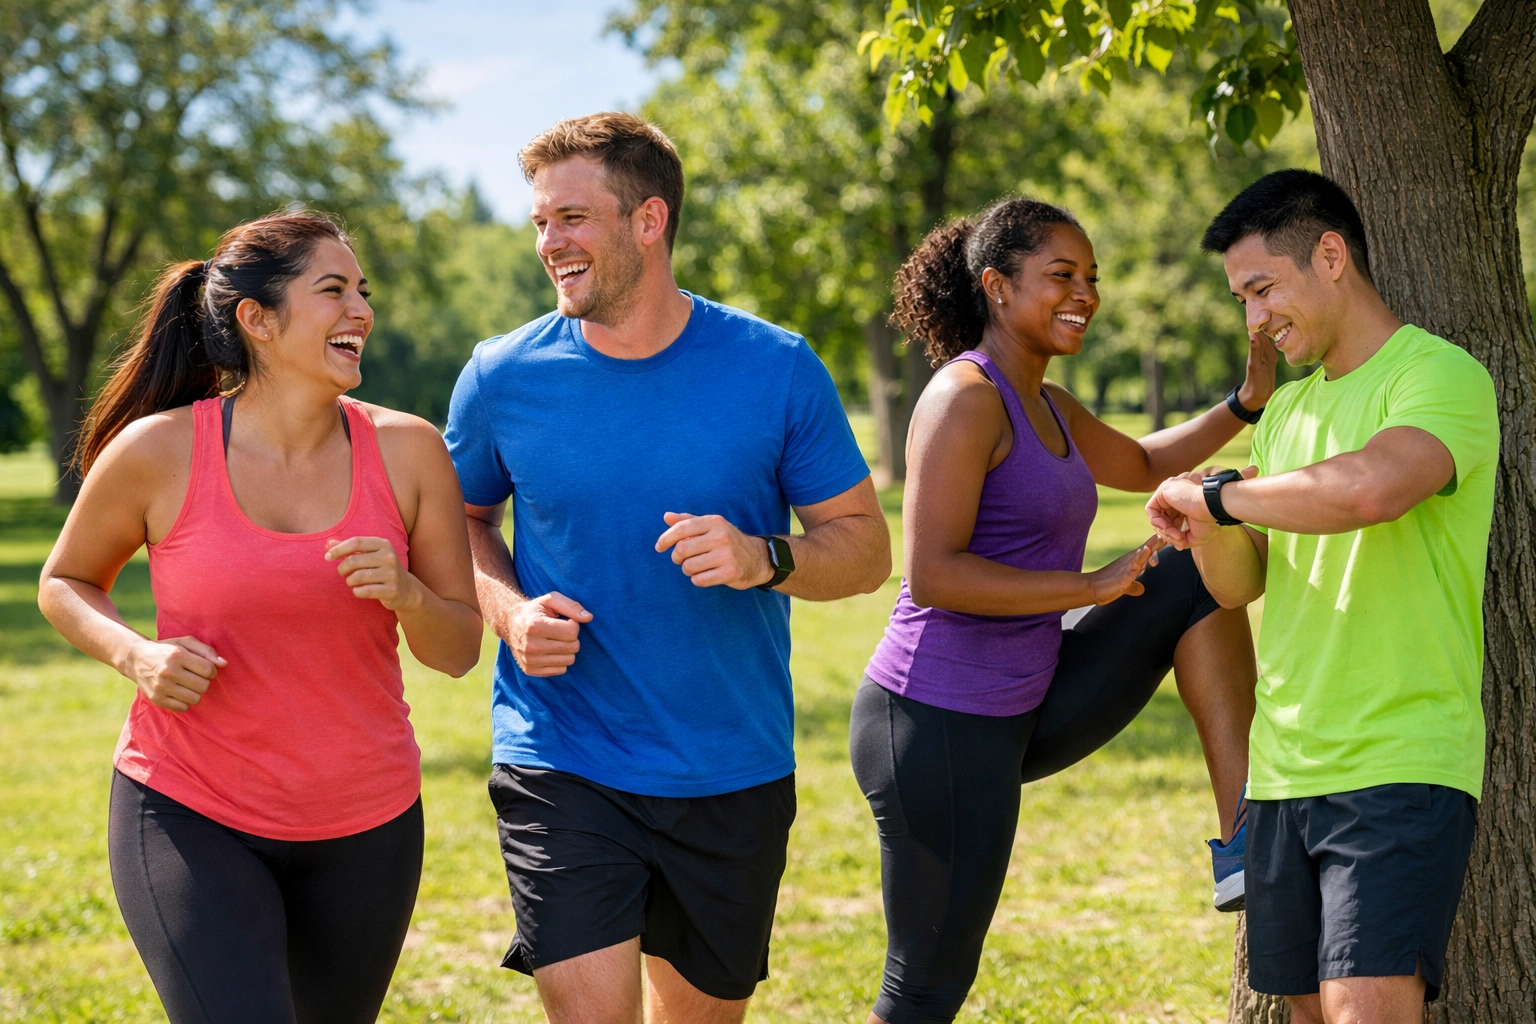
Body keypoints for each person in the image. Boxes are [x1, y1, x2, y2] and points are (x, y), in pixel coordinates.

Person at [443, 112, 890, 1024]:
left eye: (571, 218)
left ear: (649, 221)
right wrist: (511, 611)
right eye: (539, 222)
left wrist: (764, 557)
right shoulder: (500, 375)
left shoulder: (776, 368)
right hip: (561, 754)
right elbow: (460, 523)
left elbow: (866, 550)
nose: (548, 243)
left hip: (727, 765)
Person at [37, 211, 482, 1024]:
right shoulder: (158, 451)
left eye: (363, 291)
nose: (362, 311)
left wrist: (410, 596)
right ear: (258, 320)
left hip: (367, 826)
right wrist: (137, 655)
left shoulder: (410, 452)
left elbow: (456, 651)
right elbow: (65, 582)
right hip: (189, 809)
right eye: (333, 290)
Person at [852, 196, 1273, 1024]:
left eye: (1091, 277)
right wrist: (1089, 586)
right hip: (933, 722)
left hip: (1023, 702)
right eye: (1060, 276)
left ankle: (1245, 838)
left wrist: (1246, 403)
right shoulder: (964, 397)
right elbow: (933, 574)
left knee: (1192, 574)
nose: (1085, 292)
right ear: (997, 287)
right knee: (926, 985)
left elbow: (1145, 459)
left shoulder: (1049, 402)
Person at [1145, 170, 1497, 1024]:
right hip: (1282, 771)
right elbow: (1240, 584)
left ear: (1330, 256)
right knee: (1307, 1013)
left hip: (1398, 761)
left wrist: (1220, 497)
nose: (1254, 321)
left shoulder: (1439, 378)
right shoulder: (1286, 416)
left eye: (1263, 288)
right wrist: (1208, 517)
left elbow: (1369, 490)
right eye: (1241, 299)